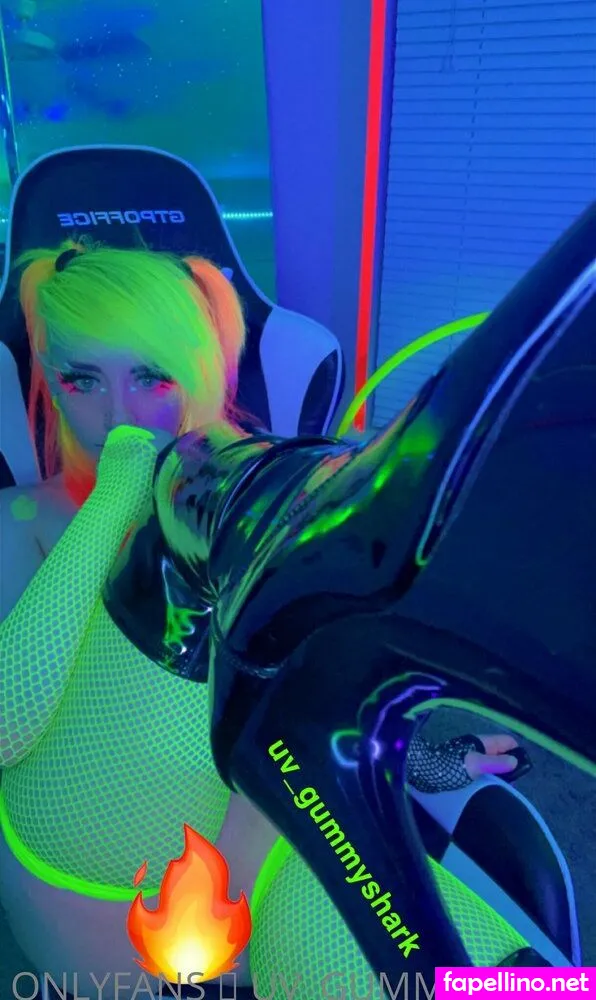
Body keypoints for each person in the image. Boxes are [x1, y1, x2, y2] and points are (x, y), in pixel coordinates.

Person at [0, 241, 519, 998]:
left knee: (466, 975)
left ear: (201, 376)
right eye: (82, 380)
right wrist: (118, 494)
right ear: (47, 380)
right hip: (91, 884)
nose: (117, 415)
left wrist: (412, 758)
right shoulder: (19, 524)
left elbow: (314, 683)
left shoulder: (247, 505)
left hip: (258, 841)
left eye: (152, 378)